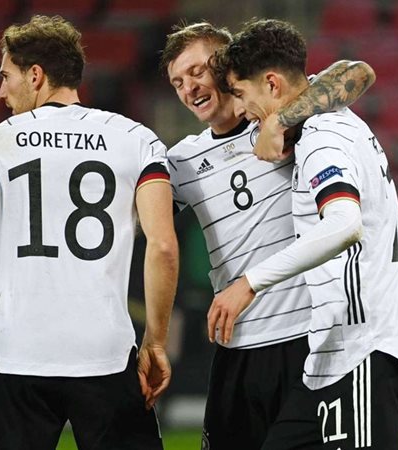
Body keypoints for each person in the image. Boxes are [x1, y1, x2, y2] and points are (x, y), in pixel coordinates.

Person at [0, 15, 178, 450]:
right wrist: (156, 340)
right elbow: (162, 247)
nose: (0, 92)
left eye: (6, 77)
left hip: (17, 350)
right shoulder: (136, 139)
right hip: (106, 351)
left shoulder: (0, 141)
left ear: (36, 75)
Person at [161, 21, 378, 450]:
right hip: (237, 344)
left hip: (306, 337)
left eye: (197, 72)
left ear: (225, 68)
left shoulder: (288, 115)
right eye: (177, 82)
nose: (189, 88)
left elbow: (359, 72)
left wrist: (281, 119)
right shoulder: (182, 160)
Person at [208, 19, 398, 449]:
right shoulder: (326, 117)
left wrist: (249, 283)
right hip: (333, 358)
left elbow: (343, 224)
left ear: (271, 84)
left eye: (241, 93)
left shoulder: (322, 139)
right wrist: (280, 120)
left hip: (363, 350)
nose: (241, 109)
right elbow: (351, 71)